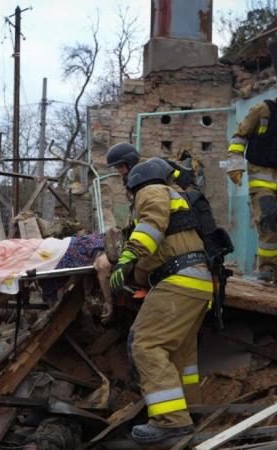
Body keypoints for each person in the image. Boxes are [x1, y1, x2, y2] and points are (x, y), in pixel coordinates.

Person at [109, 160, 213, 443]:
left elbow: (151, 227)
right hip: (198, 281)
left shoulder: (151, 190)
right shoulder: (175, 195)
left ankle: (170, 421)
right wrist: (140, 274)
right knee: (182, 354)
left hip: (178, 281)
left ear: (136, 183)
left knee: (146, 343)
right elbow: (160, 248)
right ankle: (190, 410)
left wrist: (127, 258)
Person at [225, 67, 277, 291]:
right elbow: (239, 136)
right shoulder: (262, 110)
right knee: (269, 219)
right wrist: (234, 166)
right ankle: (266, 269)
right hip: (262, 177)